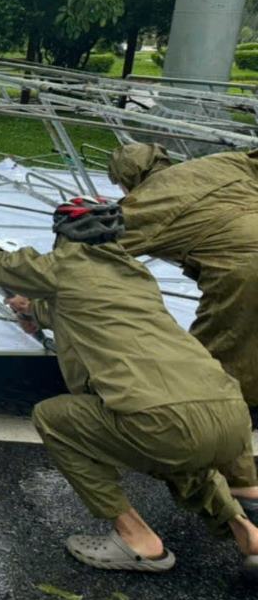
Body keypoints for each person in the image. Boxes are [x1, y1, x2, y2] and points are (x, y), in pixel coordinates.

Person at [0, 196, 258, 572]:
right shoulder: (136, 275)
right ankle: (247, 533)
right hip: (231, 418)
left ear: (63, 234)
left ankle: (135, 538)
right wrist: (35, 311)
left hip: (163, 421)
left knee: (55, 418)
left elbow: (0, 266)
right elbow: (93, 304)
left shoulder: (63, 265)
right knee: (178, 449)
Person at [108, 141, 258, 509]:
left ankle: (239, 484)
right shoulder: (222, 162)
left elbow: (89, 249)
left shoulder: (146, 203)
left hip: (247, 282)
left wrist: (31, 297)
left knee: (211, 377)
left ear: (128, 180)